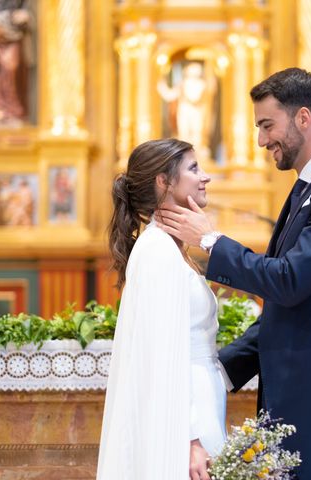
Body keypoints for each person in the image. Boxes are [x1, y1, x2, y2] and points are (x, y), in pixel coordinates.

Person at [157, 68, 311, 480]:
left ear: (303, 118)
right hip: (295, 391)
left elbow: (288, 281)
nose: (262, 140)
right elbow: (286, 306)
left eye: (267, 125)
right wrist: (219, 371)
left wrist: (211, 241)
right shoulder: (306, 188)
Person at [97, 138, 226, 480]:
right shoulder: (157, 251)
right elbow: (162, 354)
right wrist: (191, 439)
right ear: (163, 181)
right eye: (194, 168)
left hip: (201, 400)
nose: (205, 177)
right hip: (187, 418)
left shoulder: (170, 247)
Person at [158, 62, 217, 162]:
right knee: (184, 131)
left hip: (197, 111)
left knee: (197, 132)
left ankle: (197, 153)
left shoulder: (202, 84)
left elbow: (210, 92)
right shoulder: (182, 84)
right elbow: (170, 95)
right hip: (184, 111)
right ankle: (184, 154)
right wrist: (161, 86)